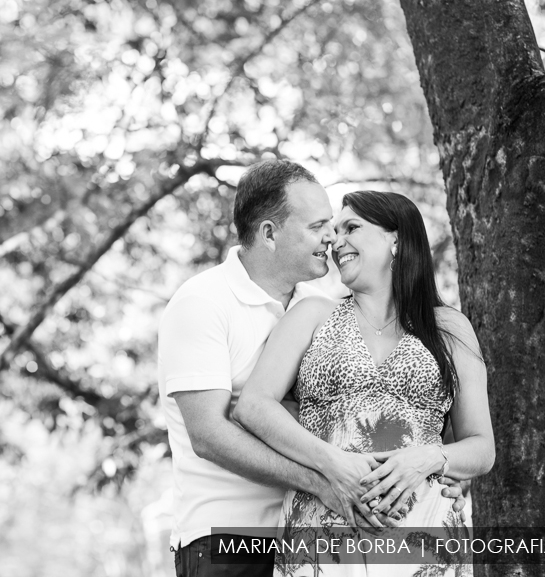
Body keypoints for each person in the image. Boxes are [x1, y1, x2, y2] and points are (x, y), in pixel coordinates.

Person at [157, 162, 464, 577]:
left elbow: (353, 412)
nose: (331, 239)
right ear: (269, 233)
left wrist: (440, 467)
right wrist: (323, 479)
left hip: (310, 534)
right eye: (319, 226)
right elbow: (209, 436)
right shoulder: (204, 302)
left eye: (338, 227)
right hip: (228, 538)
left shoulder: (317, 307)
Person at [232, 190, 495, 576]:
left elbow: (481, 447)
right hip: (323, 531)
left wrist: (430, 457)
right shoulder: (313, 314)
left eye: (351, 228)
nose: (336, 242)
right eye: (333, 232)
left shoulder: (449, 328)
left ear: (396, 239)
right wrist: (332, 463)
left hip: (424, 533)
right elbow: (253, 405)